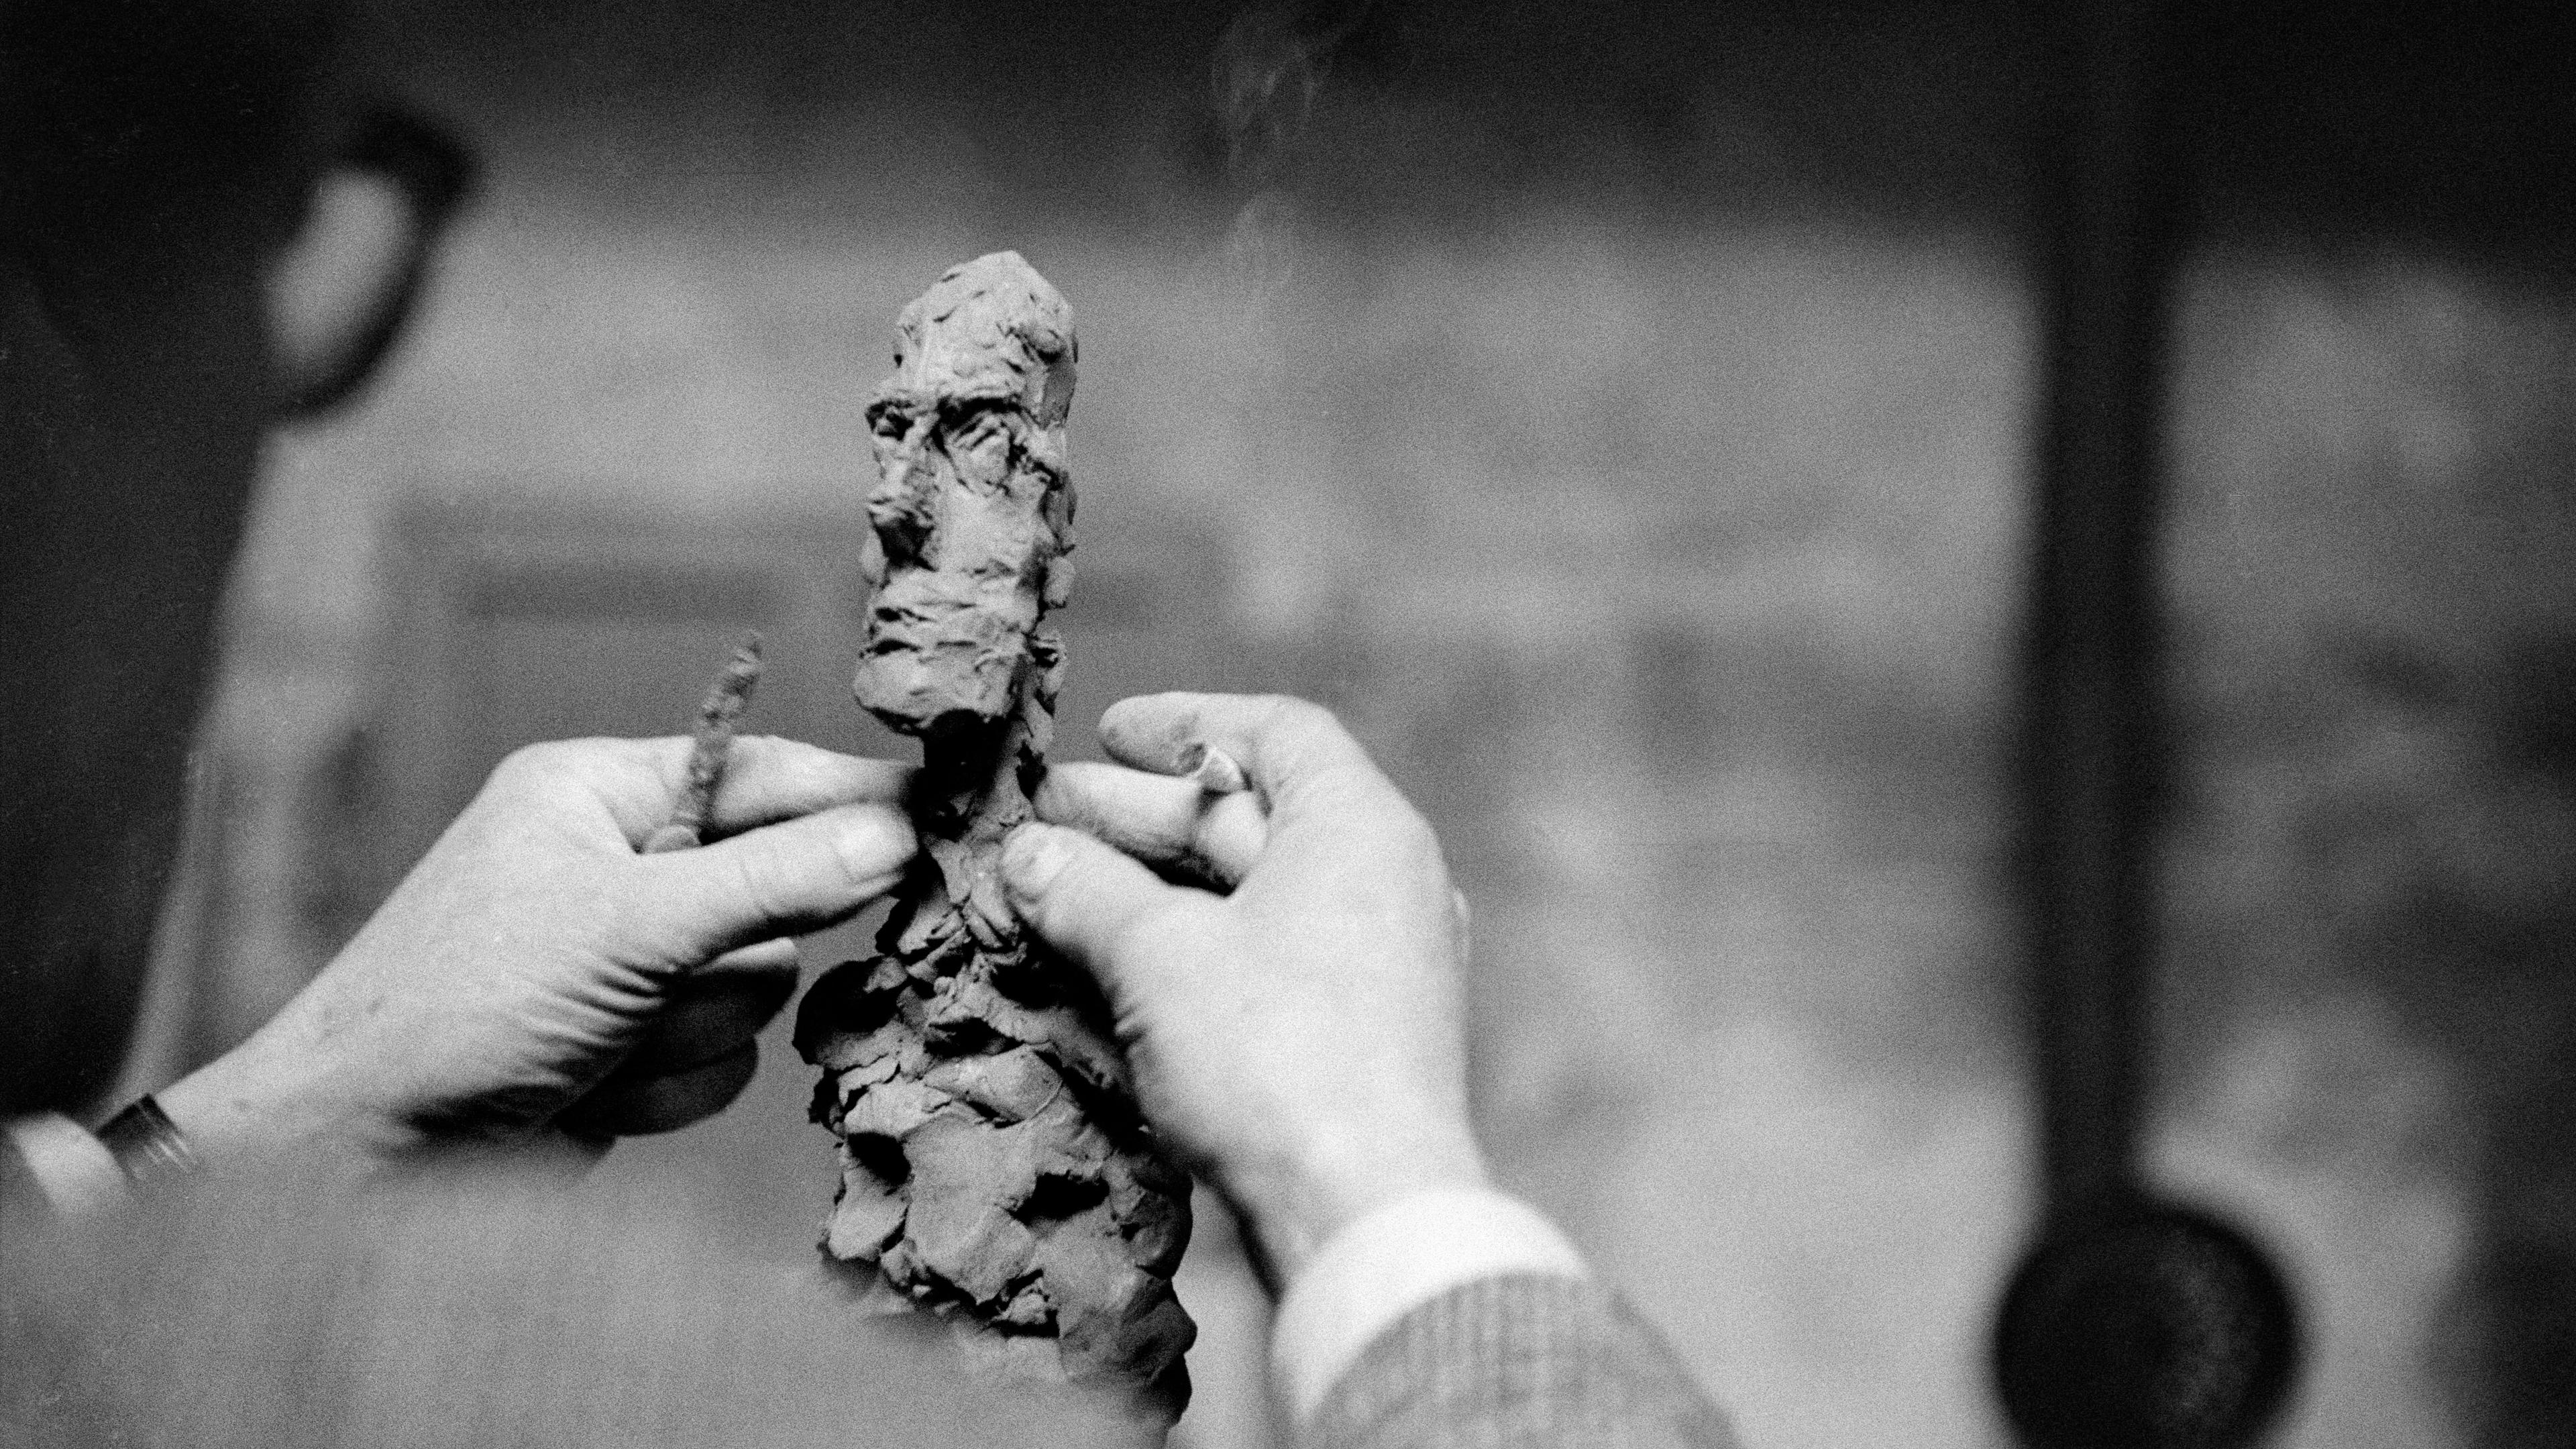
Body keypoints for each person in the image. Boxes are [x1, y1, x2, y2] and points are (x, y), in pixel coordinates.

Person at [0, 6, 1734, 1444]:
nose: (901, 514)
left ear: (1053, 529)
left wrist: (237, 1133)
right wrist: (1386, 1187)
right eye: (889, 445)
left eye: (968, 448)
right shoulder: (526, 1367)